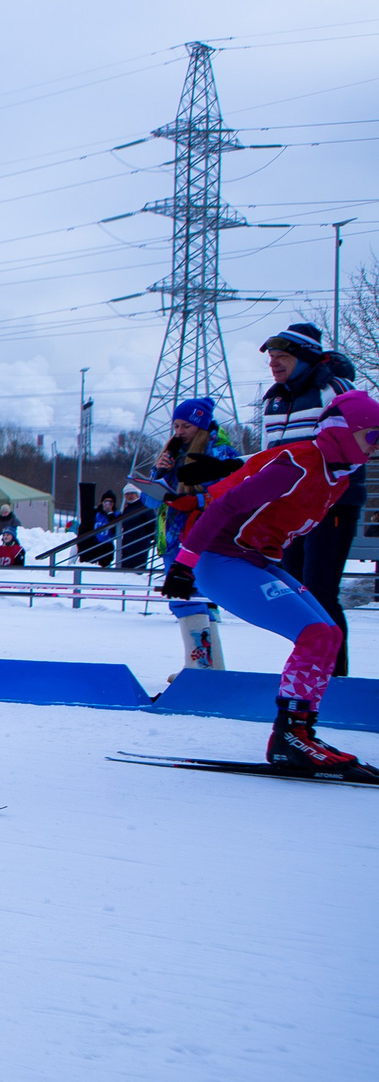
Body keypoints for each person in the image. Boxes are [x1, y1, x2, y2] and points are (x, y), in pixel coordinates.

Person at [164, 388, 379, 771]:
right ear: (346, 432)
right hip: (220, 559)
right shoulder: (300, 464)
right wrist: (184, 563)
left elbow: (260, 474)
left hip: (255, 559)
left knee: (329, 634)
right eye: (372, 436)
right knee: (314, 633)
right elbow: (228, 504)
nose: (375, 446)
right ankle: (290, 737)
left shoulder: (338, 477)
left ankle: (300, 732)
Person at [259, 321, 364, 675]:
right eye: (271, 357)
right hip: (290, 508)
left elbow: (351, 450)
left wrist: (318, 486)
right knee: (295, 591)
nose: (274, 363)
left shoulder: (333, 388)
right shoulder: (274, 398)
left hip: (331, 504)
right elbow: (268, 456)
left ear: (304, 358)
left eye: (282, 356)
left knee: (320, 588)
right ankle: (308, 669)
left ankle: (334, 676)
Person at [136, 396, 246, 671]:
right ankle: (206, 666)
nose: (179, 432)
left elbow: (233, 495)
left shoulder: (221, 454)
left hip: (203, 536)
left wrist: (195, 502)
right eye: (175, 426)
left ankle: (203, 669)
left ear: (201, 425)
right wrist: (159, 473)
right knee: (183, 599)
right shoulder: (171, 454)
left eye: (186, 426)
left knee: (195, 597)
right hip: (171, 538)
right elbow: (150, 501)